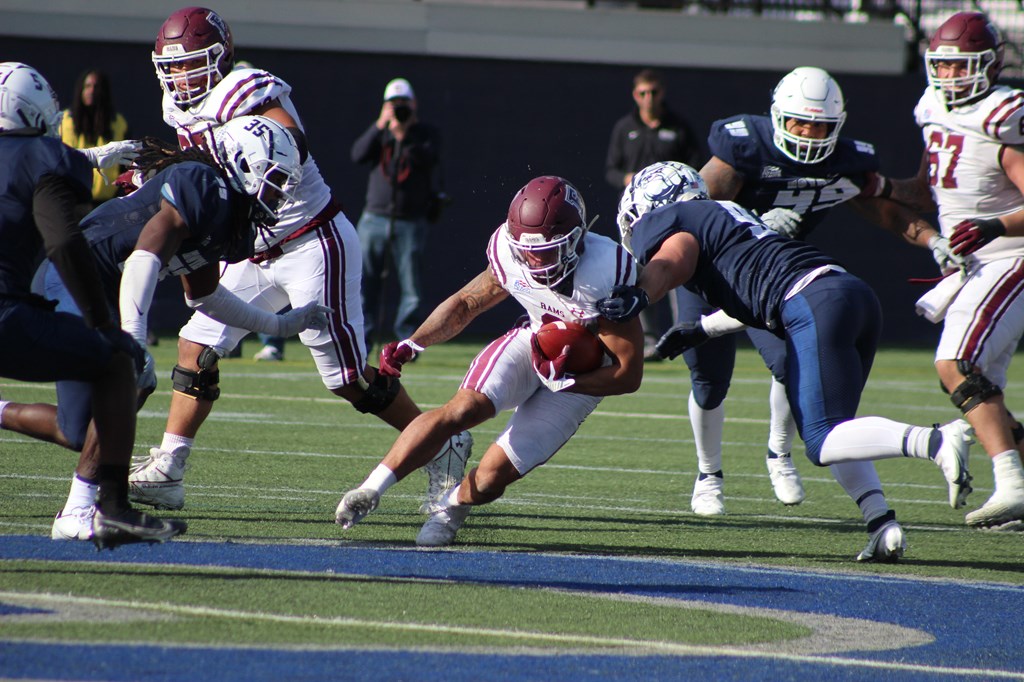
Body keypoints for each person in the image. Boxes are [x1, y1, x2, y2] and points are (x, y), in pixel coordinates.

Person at [129, 7, 471, 514]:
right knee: (194, 344)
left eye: (190, 63)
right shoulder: (178, 108)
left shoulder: (247, 88)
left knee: (348, 381)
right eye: (172, 67)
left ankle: (443, 443)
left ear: (219, 58)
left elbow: (288, 139)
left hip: (311, 240)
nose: (180, 76)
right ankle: (170, 469)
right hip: (252, 247)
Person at [598, 162, 975, 561]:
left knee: (822, 439)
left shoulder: (671, 220)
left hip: (811, 302)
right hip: (848, 292)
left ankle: (935, 441)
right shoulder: (726, 212)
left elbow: (678, 254)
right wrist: (703, 330)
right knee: (840, 430)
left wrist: (643, 293)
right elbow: (755, 290)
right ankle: (881, 523)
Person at [3, 116, 329, 541]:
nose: (278, 193)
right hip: (78, 281)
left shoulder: (228, 216)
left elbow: (206, 296)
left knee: (79, 430)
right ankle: (83, 511)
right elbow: (144, 256)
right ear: (240, 164)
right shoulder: (202, 184)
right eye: (272, 178)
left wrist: (281, 324)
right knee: (127, 378)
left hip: (102, 288)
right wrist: (132, 338)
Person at [656, 67, 950, 517]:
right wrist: (745, 222)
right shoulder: (745, 147)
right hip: (712, 270)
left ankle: (779, 453)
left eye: (821, 126)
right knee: (709, 379)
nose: (810, 134)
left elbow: (891, 213)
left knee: (792, 362)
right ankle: (708, 474)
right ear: (778, 117)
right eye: (800, 123)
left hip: (775, 278)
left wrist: (934, 241)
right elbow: (691, 206)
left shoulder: (845, 162)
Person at [335, 176, 644, 547]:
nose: (534, 260)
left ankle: (449, 507)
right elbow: (469, 302)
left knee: (492, 476)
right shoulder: (507, 251)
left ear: (577, 238)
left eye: (547, 250)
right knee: (461, 408)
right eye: (526, 251)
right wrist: (414, 342)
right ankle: (371, 487)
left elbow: (627, 375)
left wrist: (566, 380)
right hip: (531, 341)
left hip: (586, 376)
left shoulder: (605, 271)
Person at [0, 61, 184, 549]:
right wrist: (103, 323)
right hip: (5, 314)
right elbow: (63, 241)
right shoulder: (45, 158)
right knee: (117, 360)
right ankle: (113, 508)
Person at [898, 11, 1024, 528]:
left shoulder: (1002, 115)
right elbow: (930, 185)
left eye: (960, 66)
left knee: (956, 362)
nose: (950, 77)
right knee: (981, 390)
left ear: (989, 65)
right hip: (975, 265)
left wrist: (996, 226)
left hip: (1011, 257)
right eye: (943, 66)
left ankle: (1012, 486)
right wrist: (880, 189)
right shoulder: (931, 108)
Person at [605, 68, 701, 361]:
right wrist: (627, 179)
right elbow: (611, 169)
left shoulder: (679, 127)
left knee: (677, 268)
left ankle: (683, 331)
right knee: (636, 272)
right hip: (637, 216)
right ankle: (647, 339)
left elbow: (697, 168)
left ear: (663, 93)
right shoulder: (625, 127)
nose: (649, 98)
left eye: (654, 92)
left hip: (674, 214)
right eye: (643, 93)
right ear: (635, 95)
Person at [351, 77, 440, 350]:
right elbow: (358, 155)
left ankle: (407, 344)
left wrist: (404, 135)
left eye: (403, 103)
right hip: (374, 218)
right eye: (393, 104)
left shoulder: (425, 133)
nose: (399, 109)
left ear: (414, 105)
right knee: (365, 283)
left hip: (410, 221)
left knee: (411, 288)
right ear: (385, 106)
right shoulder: (381, 133)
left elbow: (429, 160)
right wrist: (381, 125)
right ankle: (363, 340)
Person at [59, 69, 131, 209]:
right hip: (72, 202)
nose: (91, 91)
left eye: (96, 87)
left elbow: (125, 166)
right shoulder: (64, 121)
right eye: (87, 86)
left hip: (106, 204)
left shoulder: (119, 123)